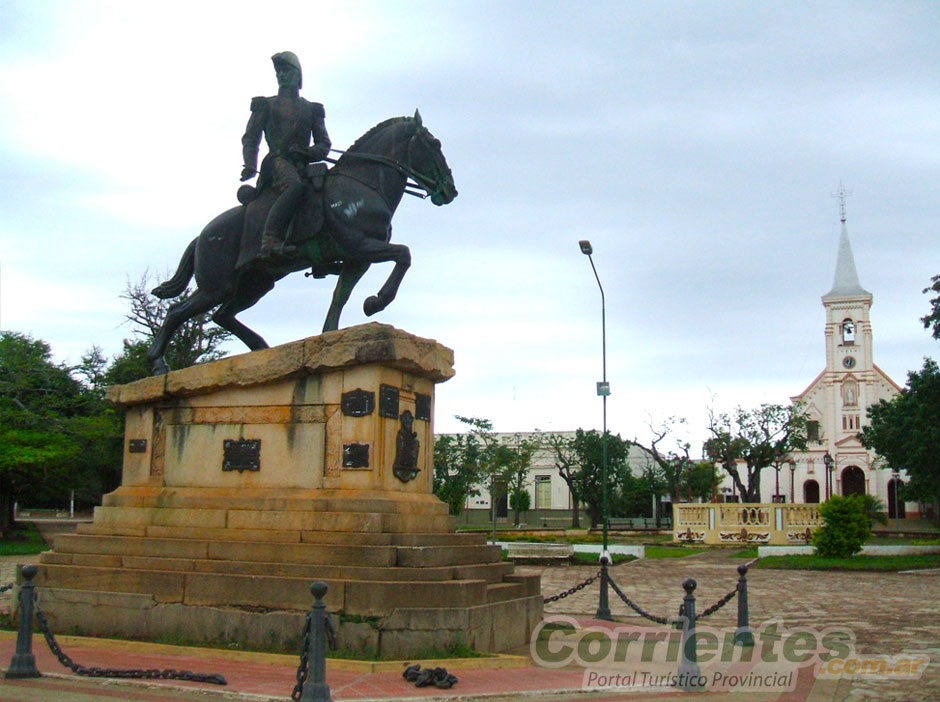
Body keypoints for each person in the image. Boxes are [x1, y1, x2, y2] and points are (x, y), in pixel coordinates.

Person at [240, 51, 331, 260]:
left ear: (298, 76)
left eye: (286, 71)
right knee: (295, 187)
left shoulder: (311, 109)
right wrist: (250, 165)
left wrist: (308, 152)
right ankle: (270, 239)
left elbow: (324, 144)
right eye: (279, 72)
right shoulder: (266, 105)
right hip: (276, 162)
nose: (281, 75)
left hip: (302, 165)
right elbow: (250, 139)